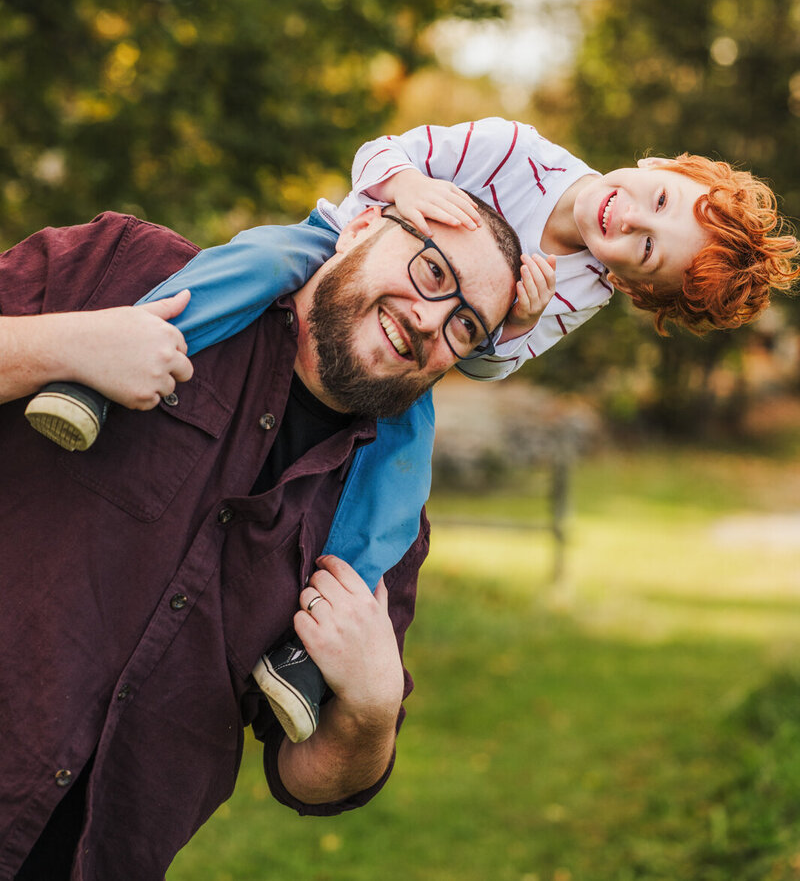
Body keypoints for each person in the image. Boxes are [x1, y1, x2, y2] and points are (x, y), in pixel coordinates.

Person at [22, 118, 800, 745]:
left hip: (411, 354)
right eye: (658, 201)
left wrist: (514, 325)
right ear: (658, 162)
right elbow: (382, 151)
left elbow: (486, 361)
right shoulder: (519, 152)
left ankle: (315, 649)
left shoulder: (580, 290)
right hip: (336, 247)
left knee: (402, 470)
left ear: (633, 283)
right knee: (250, 262)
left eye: (646, 249)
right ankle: (94, 372)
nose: (629, 220)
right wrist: (411, 185)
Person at [0, 200, 521, 880]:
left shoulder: (382, 527)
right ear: (361, 229)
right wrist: (61, 347)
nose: (430, 321)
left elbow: (306, 777)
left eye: (465, 327)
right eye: (431, 270)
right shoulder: (130, 270)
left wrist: (370, 709)